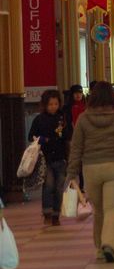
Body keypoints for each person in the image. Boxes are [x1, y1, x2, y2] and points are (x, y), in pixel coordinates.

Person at [67, 81, 114, 263]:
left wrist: (71, 173)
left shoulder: (84, 119)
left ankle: (100, 249)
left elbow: (76, 148)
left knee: (99, 211)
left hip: (91, 169)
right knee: (111, 209)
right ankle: (108, 244)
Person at [29, 89, 72, 226]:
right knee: (48, 185)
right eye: (50, 104)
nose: (53, 107)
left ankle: (56, 214)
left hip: (61, 158)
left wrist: (64, 132)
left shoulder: (62, 118)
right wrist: (42, 140)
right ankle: (47, 212)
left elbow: (68, 135)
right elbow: (31, 136)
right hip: (45, 159)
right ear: (45, 105)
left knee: (59, 186)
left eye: (55, 104)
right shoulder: (39, 120)